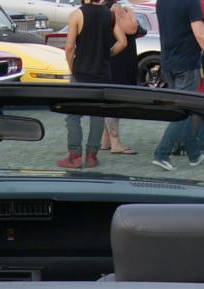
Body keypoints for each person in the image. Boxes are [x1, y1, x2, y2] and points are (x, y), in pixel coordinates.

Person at [149, 0, 204, 171]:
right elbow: (200, 34)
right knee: (182, 113)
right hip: (187, 65)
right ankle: (162, 153)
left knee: (184, 111)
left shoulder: (162, 3)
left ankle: (194, 153)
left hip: (167, 63)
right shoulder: (191, 2)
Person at [56, 0, 127, 168]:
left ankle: (74, 156)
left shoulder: (77, 15)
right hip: (102, 74)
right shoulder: (109, 14)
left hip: (80, 74)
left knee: (73, 116)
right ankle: (91, 156)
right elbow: (123, 41)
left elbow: (69, 47)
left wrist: (72, 67)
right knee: (97, 116)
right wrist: (107, 55)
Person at [99, 0, 138, 154]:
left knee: (109, 99)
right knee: (114, 101)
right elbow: (132, 28)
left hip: (112, 58)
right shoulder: (116, 7)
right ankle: (115, 142)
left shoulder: (102, 8)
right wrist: (130, 11)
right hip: (119, 60)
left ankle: (105, 140)